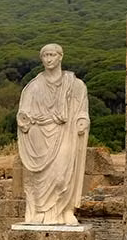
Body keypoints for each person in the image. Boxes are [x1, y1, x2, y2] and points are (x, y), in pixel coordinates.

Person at [16, 43, 89, 225]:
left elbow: (81, 110)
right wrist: (25, 119)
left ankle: (65, 210)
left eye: (52, 55)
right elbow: (23, 113)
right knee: (39, 177)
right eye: (45, 56)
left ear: (60, 57)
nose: (49, 59)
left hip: (65, 133)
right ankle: (40, 211)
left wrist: (81, 121)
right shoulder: (33, 87)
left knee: (62, 175)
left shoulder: (75, 85)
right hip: (39, 135)